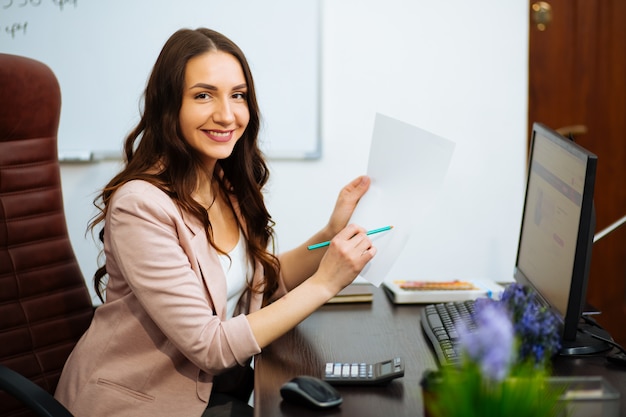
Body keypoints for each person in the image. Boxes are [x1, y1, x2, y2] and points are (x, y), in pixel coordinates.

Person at [54, 27, 376, 417]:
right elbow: (211, 346)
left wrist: (330, 236)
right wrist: (326, 283)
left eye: (238, 96)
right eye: (203, 95)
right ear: (169, 106)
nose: (227, 114)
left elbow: (262, 282)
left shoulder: (223, 183)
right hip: (134, 402)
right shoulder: (139, 207)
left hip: (212, 392)